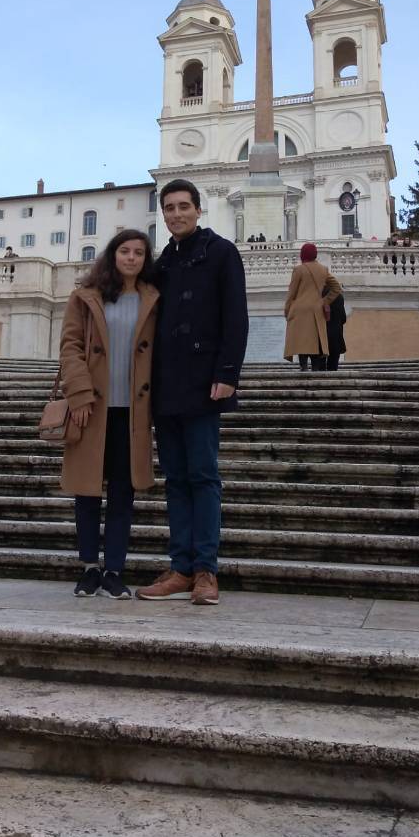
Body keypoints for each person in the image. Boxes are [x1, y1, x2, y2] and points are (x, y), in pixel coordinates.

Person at [136, 179, 248, 607]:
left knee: (203, 477)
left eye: (184, 206)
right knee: (177, 480)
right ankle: (180, 568)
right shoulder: (163, 262)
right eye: (169, 208)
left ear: (199, 210)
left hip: (204, 382)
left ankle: (205, 571)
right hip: (166, 384)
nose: (176, 214)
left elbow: (236, 317)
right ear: (163, 214)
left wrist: (227, 372)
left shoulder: (222, 253)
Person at [59, 230, 159, 599]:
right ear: (113, 255)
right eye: (124, 251)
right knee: (86, 491)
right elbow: (70, 347)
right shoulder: (86, 297)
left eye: (138, 252)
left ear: (145, 259)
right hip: (92, 409)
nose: (131, 257)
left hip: (132, 412)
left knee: (122, 493)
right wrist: (80, 394)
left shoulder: (153, 299)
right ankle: (88, 568)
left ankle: (114, 568)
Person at [283, 243, 342, 371]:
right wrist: (324, 301)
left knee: (301, 341)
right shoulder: (323, 269)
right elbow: (337, 288)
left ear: (303, 254)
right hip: (316, 309)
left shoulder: (299, 270)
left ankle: (303, 367)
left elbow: (291, 292)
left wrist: (287, 310)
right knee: (315, 342)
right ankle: (315, 369)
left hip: (299, 310)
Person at [326, 290, 347, 371]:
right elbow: (343, 318)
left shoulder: (319, 296)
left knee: (320, 366)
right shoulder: (339, 297)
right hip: (336, 336)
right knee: (333, 367)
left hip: (322, 336)